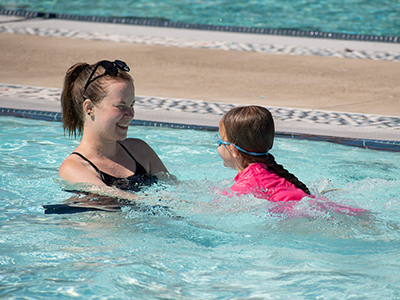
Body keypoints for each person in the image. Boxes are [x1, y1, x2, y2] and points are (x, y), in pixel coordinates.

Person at [58, 59, 170, 194]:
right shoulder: (74, 168)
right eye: (120, 106)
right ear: (89, 108)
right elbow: (121, 200)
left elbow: (176, 189)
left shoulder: (140, 152)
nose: (130, 114)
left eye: (132, 105)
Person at [215, 105, 311, 202]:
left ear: (233, 150)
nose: (218, 146)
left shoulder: (243, 187)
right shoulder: (271, 172)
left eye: (219, 141)